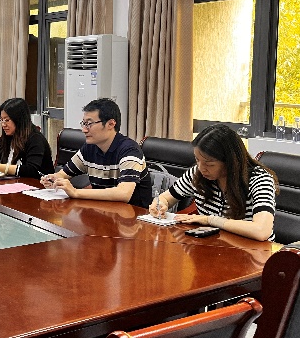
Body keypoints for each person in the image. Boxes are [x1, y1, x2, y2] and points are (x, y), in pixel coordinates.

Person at [149, 123, 278, 241]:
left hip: (254, 252)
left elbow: (261, 231)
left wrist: (210, 220)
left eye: (209, 164)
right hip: (213, 247)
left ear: (230, 161)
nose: (201, 168)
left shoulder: (259, 179)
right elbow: (166, 198)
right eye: (197, 160)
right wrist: (160, 204)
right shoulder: (197, 173)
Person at [40, 98, 151, 208]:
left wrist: (75, 192)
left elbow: (124, 193)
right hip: (103, 211)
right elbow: (63, 174)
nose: (84, 130)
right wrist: (53, 179)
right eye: (83, 124)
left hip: (133, 215)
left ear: (110, 124)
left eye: (89, 124)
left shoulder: (130, 151)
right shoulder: (89, 148)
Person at [0, 98, 55, 178]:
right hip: (14, 181)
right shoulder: (9, 135)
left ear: (19, 120)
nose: (3, 124)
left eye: (7, 120)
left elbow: (31, 170)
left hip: (37, 183)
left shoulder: (35, 139)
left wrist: (2, 168)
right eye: (1, 120)